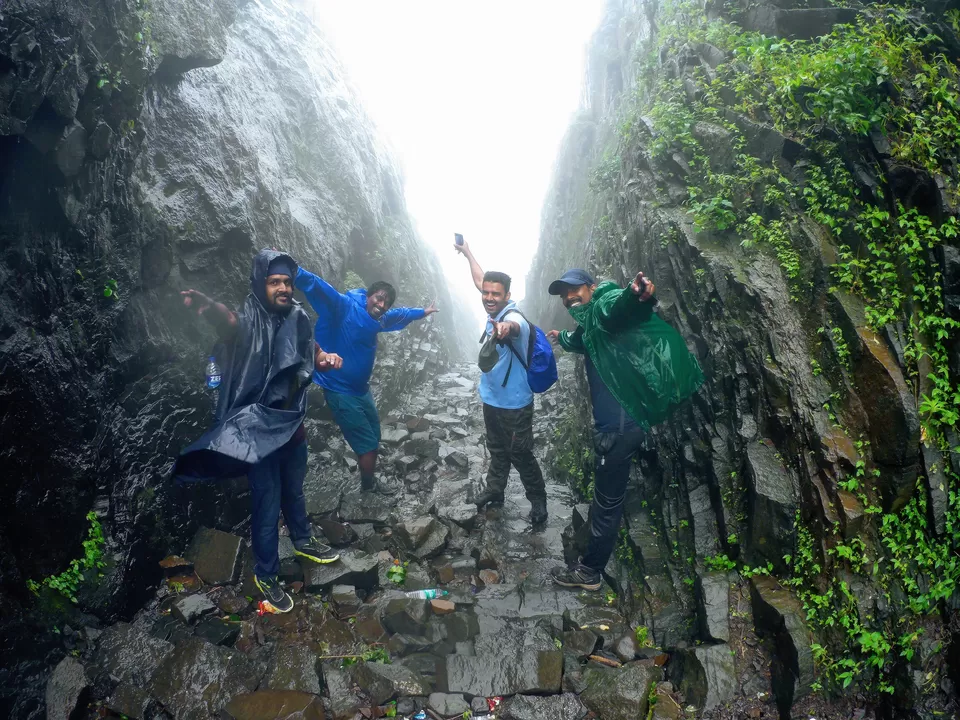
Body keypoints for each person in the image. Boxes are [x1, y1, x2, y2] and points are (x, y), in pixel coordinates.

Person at [173, 249, 341, 613]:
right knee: (266, 504)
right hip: (257, 434)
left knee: (295, 491)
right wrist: (209, 308)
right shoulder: (248, 318)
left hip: (291, 426)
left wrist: (324, 358)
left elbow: (306, 348)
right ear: (260, 283)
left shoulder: (297, 315)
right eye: (274, 281)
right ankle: (266, 573)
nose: (282, 287)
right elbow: (229, 323)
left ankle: (302, 540)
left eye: (286, 282)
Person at [545, 268, 704, 591]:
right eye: (563, 295)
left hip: (616, 430)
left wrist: (636, 295)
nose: (568, 298)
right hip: (624, 423)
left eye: (574, 290)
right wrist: (559, 338)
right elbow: (581, 339)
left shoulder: (605, 304)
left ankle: (589, 572)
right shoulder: (591, 322)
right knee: (608, 497)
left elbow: (619, 309)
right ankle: (591, 564)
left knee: (607, 502)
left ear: (591, 287)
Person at [294, 267, 438, 495]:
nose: (381, 305)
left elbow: (402, 314)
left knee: (375, 434)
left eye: (386, 302)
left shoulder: (380, 320)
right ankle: (368, 488)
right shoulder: (344, 306)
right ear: (368, 295)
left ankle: (367, 474)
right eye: (379, 298)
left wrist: (423, 311)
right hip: (340, 390)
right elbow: (319, 286)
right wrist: (293, 269)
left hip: (362, 390)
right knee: (368, 446)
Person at [454, 241, 548, 525]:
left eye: (496, 294)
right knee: (496, 449)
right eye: (486, 293)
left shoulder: (513, 318)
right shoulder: (492, 308)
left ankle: (538, 499)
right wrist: (468, 252)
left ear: (508, 295)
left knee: (520, 452)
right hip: (491, 399)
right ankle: (495, 491)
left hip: (516, 405)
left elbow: (515, 327)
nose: (489, 297)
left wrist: (505, 329)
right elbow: (479, 279)